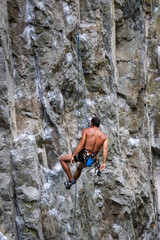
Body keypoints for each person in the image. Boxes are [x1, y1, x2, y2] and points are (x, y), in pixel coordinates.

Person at [59, 117, 108, 189]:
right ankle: (71, 182)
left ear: (91, 123)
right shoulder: (104, 137)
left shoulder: (86, 131)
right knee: (79, 168)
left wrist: (73, 155)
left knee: (62, 159)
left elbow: (81, 144)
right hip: (91, 160)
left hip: (83, 155)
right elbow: (105, 150)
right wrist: (104, 163)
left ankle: (71, 179)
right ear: (99, 125)